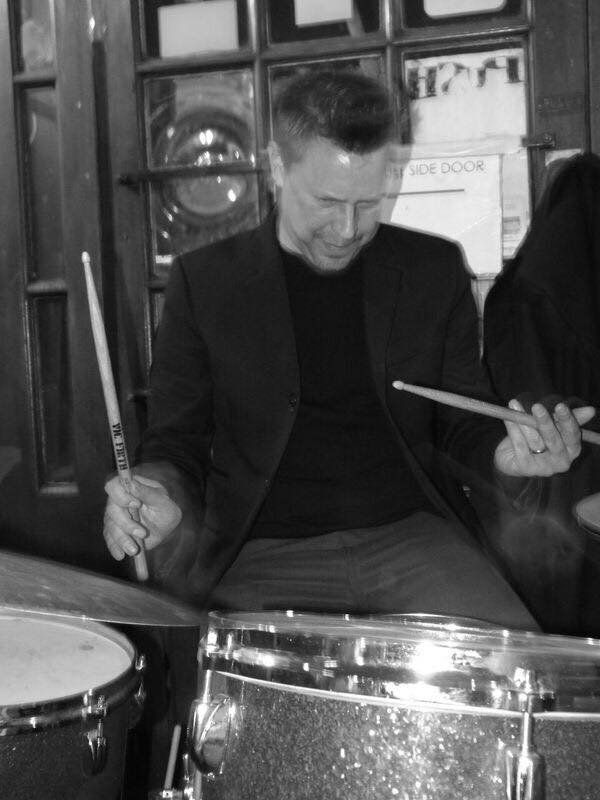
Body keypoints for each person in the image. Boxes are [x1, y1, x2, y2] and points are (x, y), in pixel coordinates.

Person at [103, 69, 594, 632]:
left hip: (412, 538)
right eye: (328, 201)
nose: (348, 228)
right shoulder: (205, 282)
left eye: (369, 202)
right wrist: (157, 492)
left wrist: (508, 458)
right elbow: (176, 440)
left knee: (515, 670)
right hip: (260, 552)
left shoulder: (432, 269)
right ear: (277, 166)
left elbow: (464, 421)